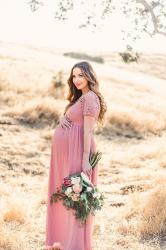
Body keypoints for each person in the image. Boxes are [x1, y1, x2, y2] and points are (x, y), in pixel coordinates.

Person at [45, 61, 107, 250]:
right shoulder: (81, 98)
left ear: (89, 76)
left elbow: (88, 132)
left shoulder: (90, 98)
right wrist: (63, 118)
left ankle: (75, 244)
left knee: (75, 198)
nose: (77, 79)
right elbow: (75, 120)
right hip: (66, 154)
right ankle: (63, 240)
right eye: (74, 76)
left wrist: (85, 160)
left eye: (81, 75)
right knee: (66, 196)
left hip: (78, 152)